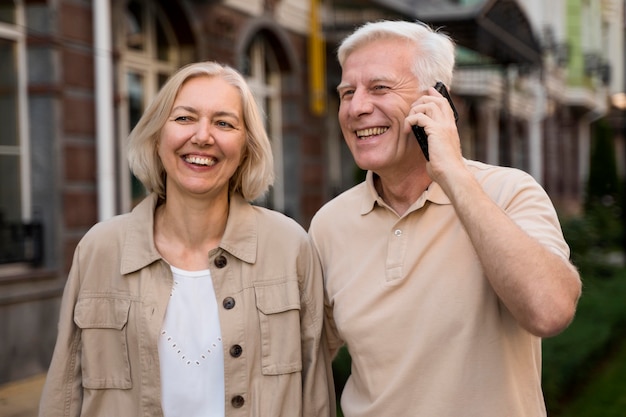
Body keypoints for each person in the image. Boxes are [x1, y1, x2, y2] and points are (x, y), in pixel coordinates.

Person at [309, 20, 582, 417]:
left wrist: (453, 173)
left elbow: (550, 310)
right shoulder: (329, 224)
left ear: (436, 101)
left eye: (380, 88)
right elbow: (304, 359)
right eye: (347, 92)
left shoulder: (509, 191)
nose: (356, 107)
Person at [39, 61, 334, 417]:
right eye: (184, 118)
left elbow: (315, 393)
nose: (203, 136)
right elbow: (65, 391)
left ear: (246, 148)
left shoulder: (289, 247)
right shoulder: (101, 248)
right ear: (157, 134)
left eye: (224, 123)